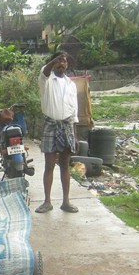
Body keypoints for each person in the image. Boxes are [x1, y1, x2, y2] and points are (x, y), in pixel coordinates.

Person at [35, 52, 79, 214]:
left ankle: (66, 202)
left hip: (67, 126)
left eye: (65, 61)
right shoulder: (46, 80)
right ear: (53, 63)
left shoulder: (71, 85)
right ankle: (47, 202)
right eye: (59, 61)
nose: (62, 64)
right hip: (50, 125)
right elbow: (45, 71)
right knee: (49, 164)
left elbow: (74, 112)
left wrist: (75, 136)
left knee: (65, 166)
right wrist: (54, 60)